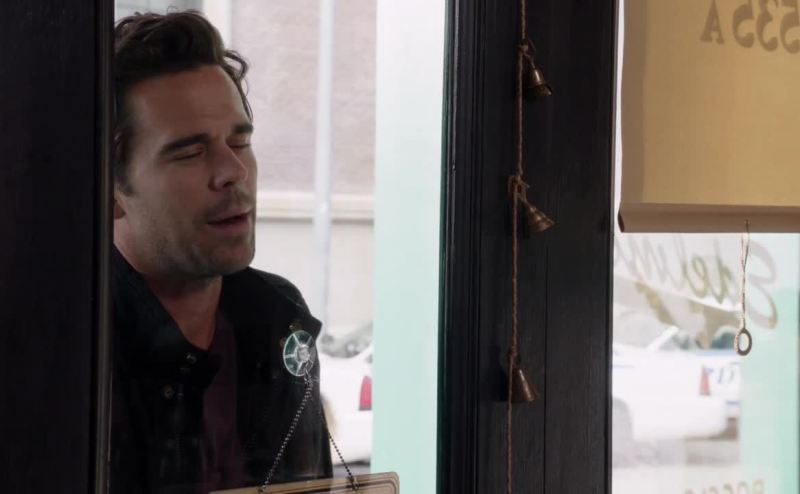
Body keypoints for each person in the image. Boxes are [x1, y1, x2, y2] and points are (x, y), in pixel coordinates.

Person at [110, 11, 332, 493]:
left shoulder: (278, 318)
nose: (233, 171)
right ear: (111, 192)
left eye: (240, 141)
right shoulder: (72, 345)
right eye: (189, 153)